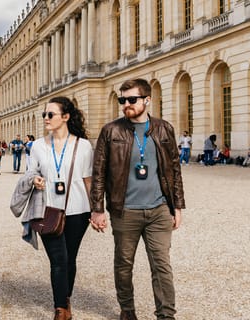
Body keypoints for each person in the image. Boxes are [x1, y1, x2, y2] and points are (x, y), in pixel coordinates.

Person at [90, 79, 185, 320]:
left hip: (159, 209)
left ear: (147, 100)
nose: (126, 104)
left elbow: (174, 169)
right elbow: (99, 172)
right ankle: (127, 310)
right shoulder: (111, 130)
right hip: (125, 210)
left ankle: (166, 315)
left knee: (161, 265)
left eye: (132, 99)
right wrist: (97, 210)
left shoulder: (164, 129)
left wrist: (177, 206)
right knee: (124, 265)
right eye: (123, 100)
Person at [22, 97, 94, 320]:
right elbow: (30, 172)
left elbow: (88, 179)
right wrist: (34, 180)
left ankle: (66, 298)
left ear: (65, 117)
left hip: (78, 209)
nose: (45, 118)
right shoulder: (37, 146)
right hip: (48, 209)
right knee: (58, 259)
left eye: (50, 114)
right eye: (44, 114)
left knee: (69, 258)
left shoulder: (83, 145)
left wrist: (96, 210)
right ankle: (60, 309)